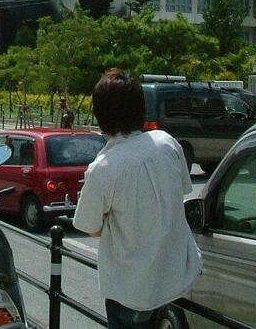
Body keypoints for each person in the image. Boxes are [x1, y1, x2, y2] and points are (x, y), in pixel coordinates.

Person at [74, 69, 202, 329]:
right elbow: (182, 190)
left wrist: (109, 216)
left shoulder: (104, 167)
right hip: (174, 278)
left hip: (131, 289)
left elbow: (88, 226)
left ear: (101, 114)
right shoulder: (167, 143)